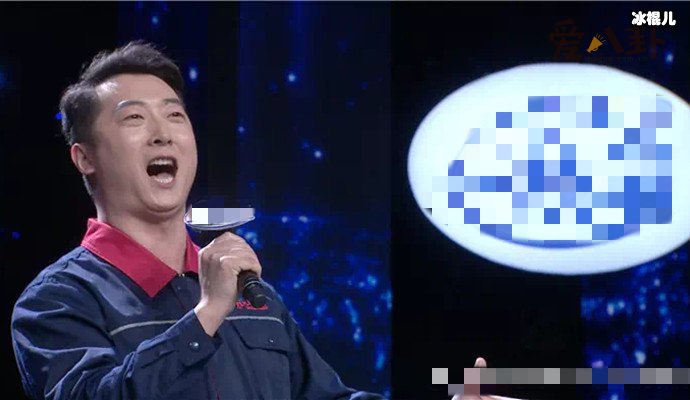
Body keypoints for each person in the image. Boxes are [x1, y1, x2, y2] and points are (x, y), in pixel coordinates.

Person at [11, 41, 385, 400]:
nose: (163, 134)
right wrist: (205, 315)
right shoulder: (57, 300)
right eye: (134, 118)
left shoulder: (251, 293)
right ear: (85, 158)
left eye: (175, 115)